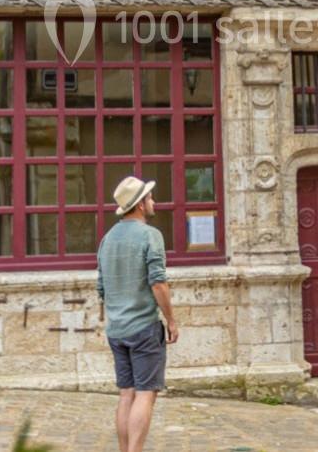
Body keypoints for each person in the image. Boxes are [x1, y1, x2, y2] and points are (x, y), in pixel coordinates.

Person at [96, 176, 179, 452]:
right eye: (149, 197)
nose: (153, 201)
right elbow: (158, 282)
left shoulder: (107, 239)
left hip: (117, 330)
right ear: (140, 205)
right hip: (143, 327)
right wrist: (171, 319)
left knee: (126, 394)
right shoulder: (150, 235)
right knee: (145, 395)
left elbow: (102, 287)